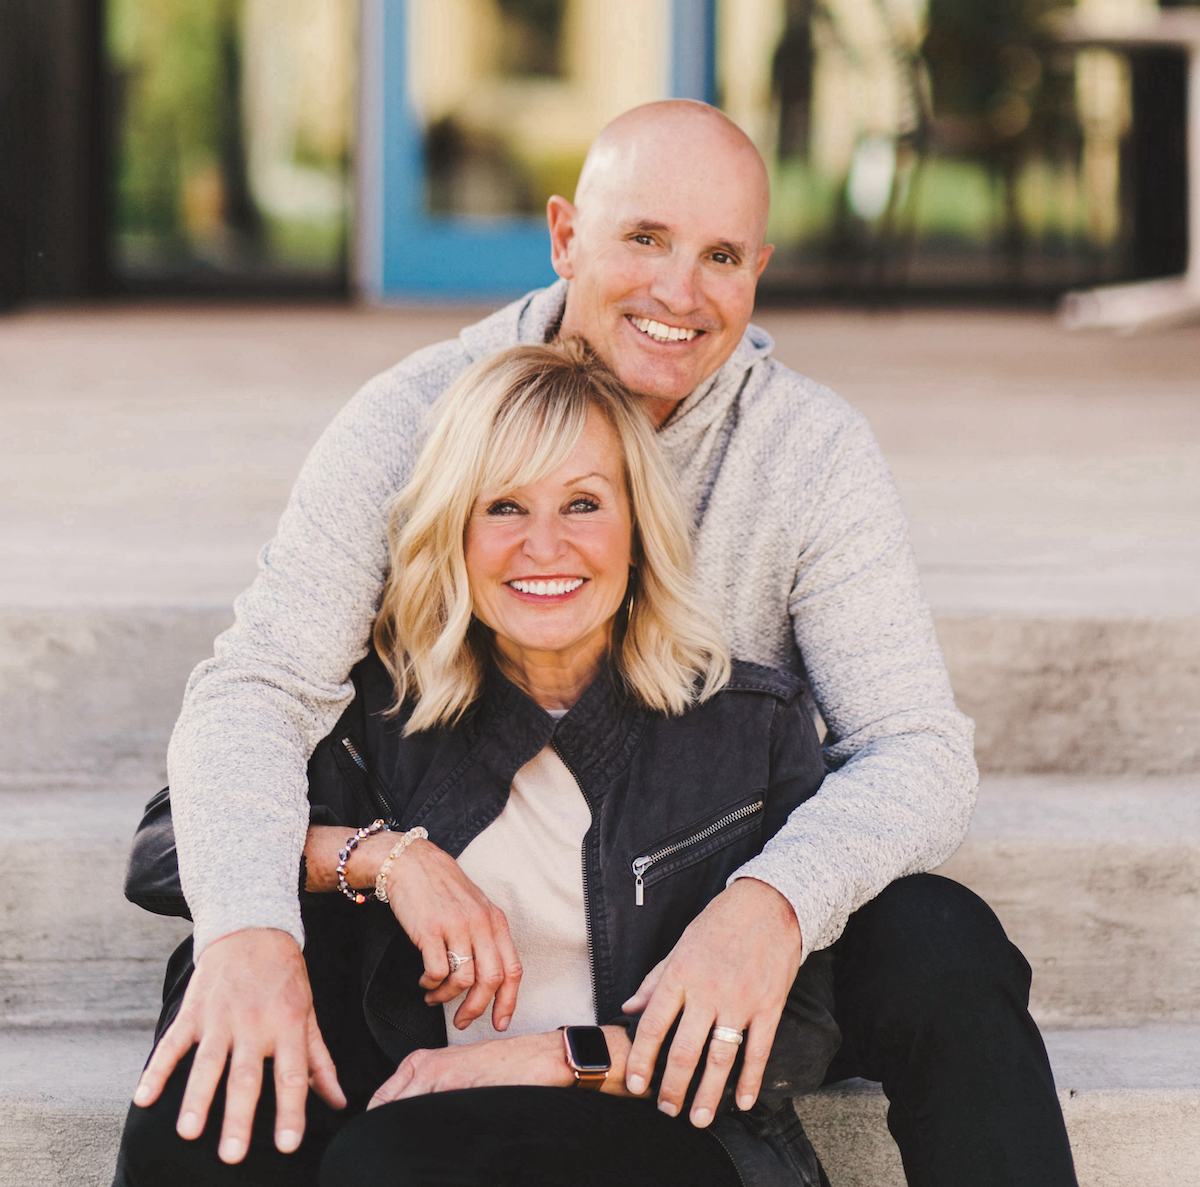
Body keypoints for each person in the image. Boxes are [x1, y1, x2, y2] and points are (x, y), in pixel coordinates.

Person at [132, 100, 1077, 1186]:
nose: (681, 293)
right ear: (564, 236)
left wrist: (766, 907)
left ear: (759, 269)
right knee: (238, 968)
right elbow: (254, 696)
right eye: (644, 239)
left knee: (934, 935)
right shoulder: (416, 418)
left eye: (721, 255)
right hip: (441, 864)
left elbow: (917, 750)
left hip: (701, 890)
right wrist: (262, 926)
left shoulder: (806, 458)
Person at [118, 341, 841, 1186]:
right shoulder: (377, 713)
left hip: (646, 1122)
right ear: (453, 532)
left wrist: (551, 1059)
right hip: (415, 1119)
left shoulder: (745, 726)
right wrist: (388, 859)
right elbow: (165, 850)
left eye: (582, 503)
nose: (544, 545)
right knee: (233, 1076)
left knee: (390, 1160)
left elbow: (807, 1024)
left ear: (639, 529)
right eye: (504, 506)